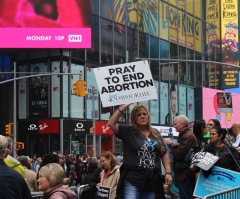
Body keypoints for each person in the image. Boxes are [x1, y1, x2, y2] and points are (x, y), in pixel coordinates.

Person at [108, 103, 172, 199]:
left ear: (148, 116)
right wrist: (122, 108)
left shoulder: (155, 133)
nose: (142, 116)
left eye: (144, 114)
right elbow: (111, 124)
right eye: (138, 115)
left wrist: (168, 172)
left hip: (152, 180)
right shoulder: (128, 131)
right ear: (134, 118)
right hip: (133, 178)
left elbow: (163, 152)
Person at [165, 115, 198, 199]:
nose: (174, 126)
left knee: (185, 196)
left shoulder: (187, 136)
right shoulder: (184, 135)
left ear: (182, 124)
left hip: (185, 174)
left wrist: (170, 144)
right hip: (183, 173)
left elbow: (179, 154)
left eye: (175, 124)